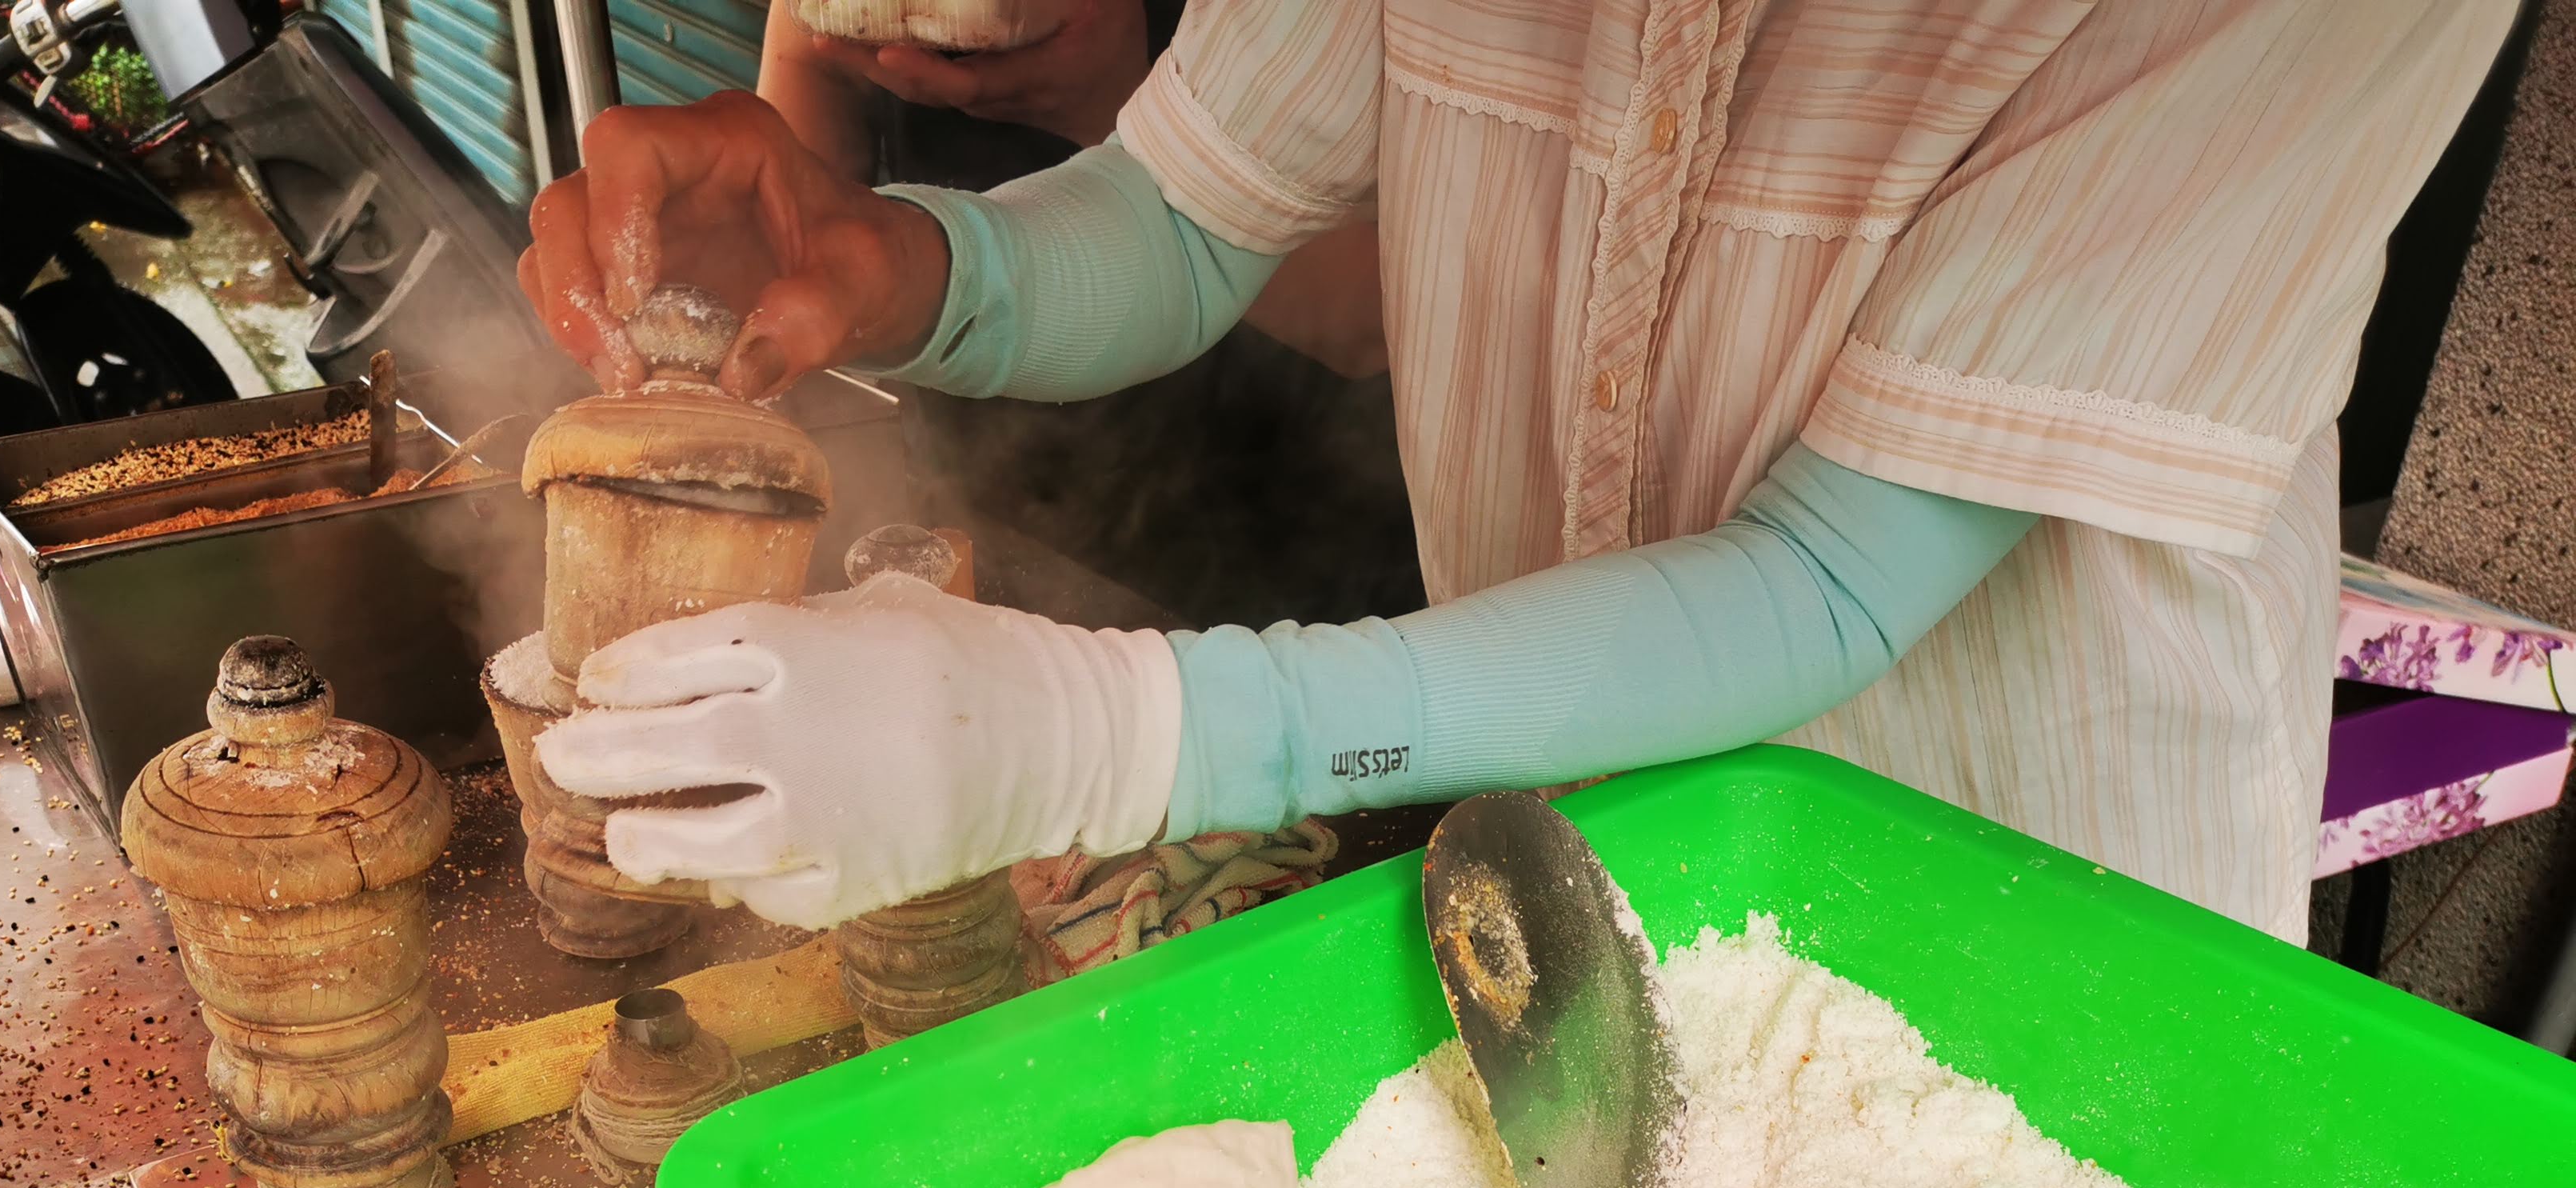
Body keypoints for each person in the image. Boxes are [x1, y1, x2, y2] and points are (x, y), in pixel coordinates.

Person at [519, 0, 2517, 942]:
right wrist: (896, 268)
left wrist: (1109, 728)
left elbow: (1824, 581)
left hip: (2016, 935)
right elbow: (1190, 215)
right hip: (1569, 838)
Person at [753, 0, 1412, 631]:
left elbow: (1374, 318)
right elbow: (812, 52)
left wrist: (1116, 104)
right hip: (971, 492)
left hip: (1275, 573)